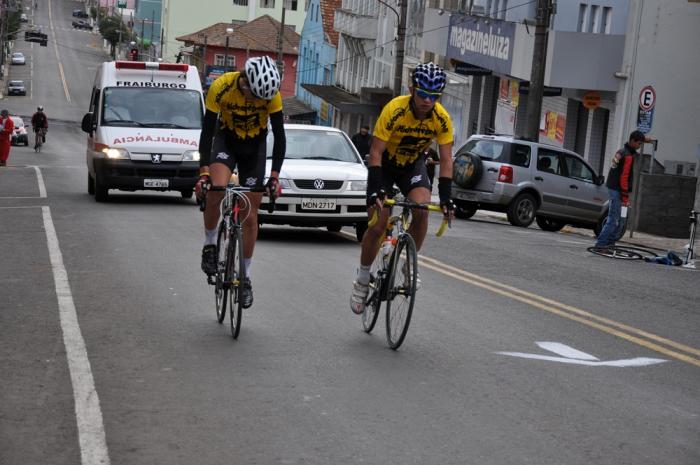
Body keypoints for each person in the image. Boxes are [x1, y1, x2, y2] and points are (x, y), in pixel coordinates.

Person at [349, 62, 454, 314]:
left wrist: (447, 198)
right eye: (423, 94)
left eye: (433, 96)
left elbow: (447, 159)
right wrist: (376, 189)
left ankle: (408, 265)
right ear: (411, 89)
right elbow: (375, 151)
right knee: (378, 223)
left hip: (411, 166)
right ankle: (363, 280)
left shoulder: (441, 118)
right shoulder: (394, 109)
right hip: (384, 166)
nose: (427, 100)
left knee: (422, 209)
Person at [196, 55, 286, 309]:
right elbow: (207, 132)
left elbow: (279, 138)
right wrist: (203, 172)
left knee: (251, 215)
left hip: (254, 147)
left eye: (262, 99)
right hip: (226, 141)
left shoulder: (272, 96)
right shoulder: (221, 87)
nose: (258, 101)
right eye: (255, 95)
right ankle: (210, 245)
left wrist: (275, 177)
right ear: (245, 82)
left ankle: (245, 277)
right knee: (217, 190)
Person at [595, 130, 653, 248]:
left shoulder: (620, 152)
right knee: (614, 220)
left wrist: (645, 139)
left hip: (612, 187)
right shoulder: (628, 156)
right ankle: (600, 245)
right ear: (632, 141)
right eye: (639, 144)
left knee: (616, 219)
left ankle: (609, 244)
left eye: (641, 144)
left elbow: (615, 168)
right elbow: (624, 177)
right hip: (618, 190)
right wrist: (625, 195)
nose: (639, 146)